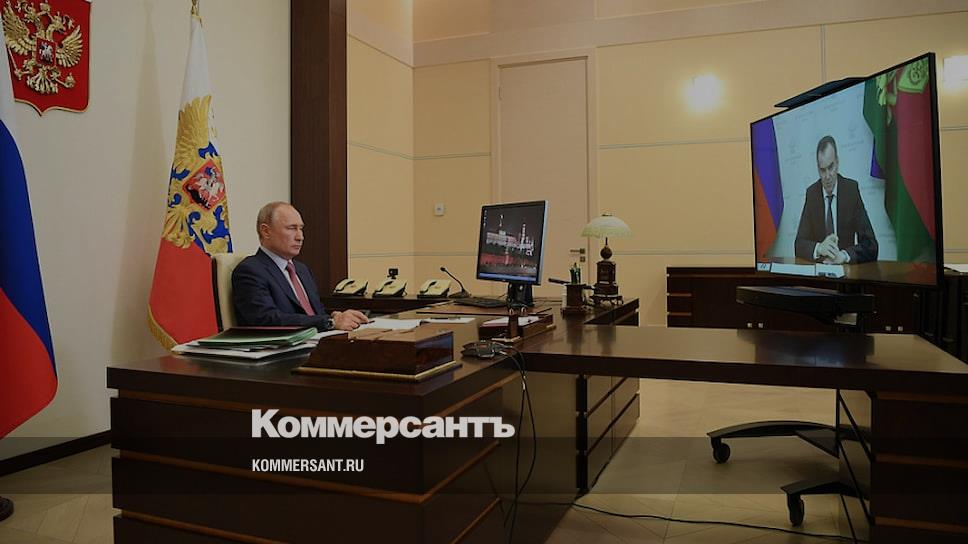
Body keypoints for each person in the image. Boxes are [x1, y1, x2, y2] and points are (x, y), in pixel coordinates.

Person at [232, 202, 368, 331]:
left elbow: (315, 313)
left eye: (301, 229)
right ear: (266, 231)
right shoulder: (250, 271)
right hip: (285, 346)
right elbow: (266, 319)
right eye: (291, 228)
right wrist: (329, 322)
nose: (300, 237)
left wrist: (336, 316)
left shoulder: (302, 270)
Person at [794, 136, 878, 264]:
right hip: (820, 269)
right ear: (818, 168)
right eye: (822, 170)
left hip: (845, 270)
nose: (827, 176)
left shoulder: (851, 191)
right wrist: (819, 248)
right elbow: (799, 244)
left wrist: (844, 256)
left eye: (831, 167)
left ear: (837, 163)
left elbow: (871, 245)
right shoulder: (812, 194)